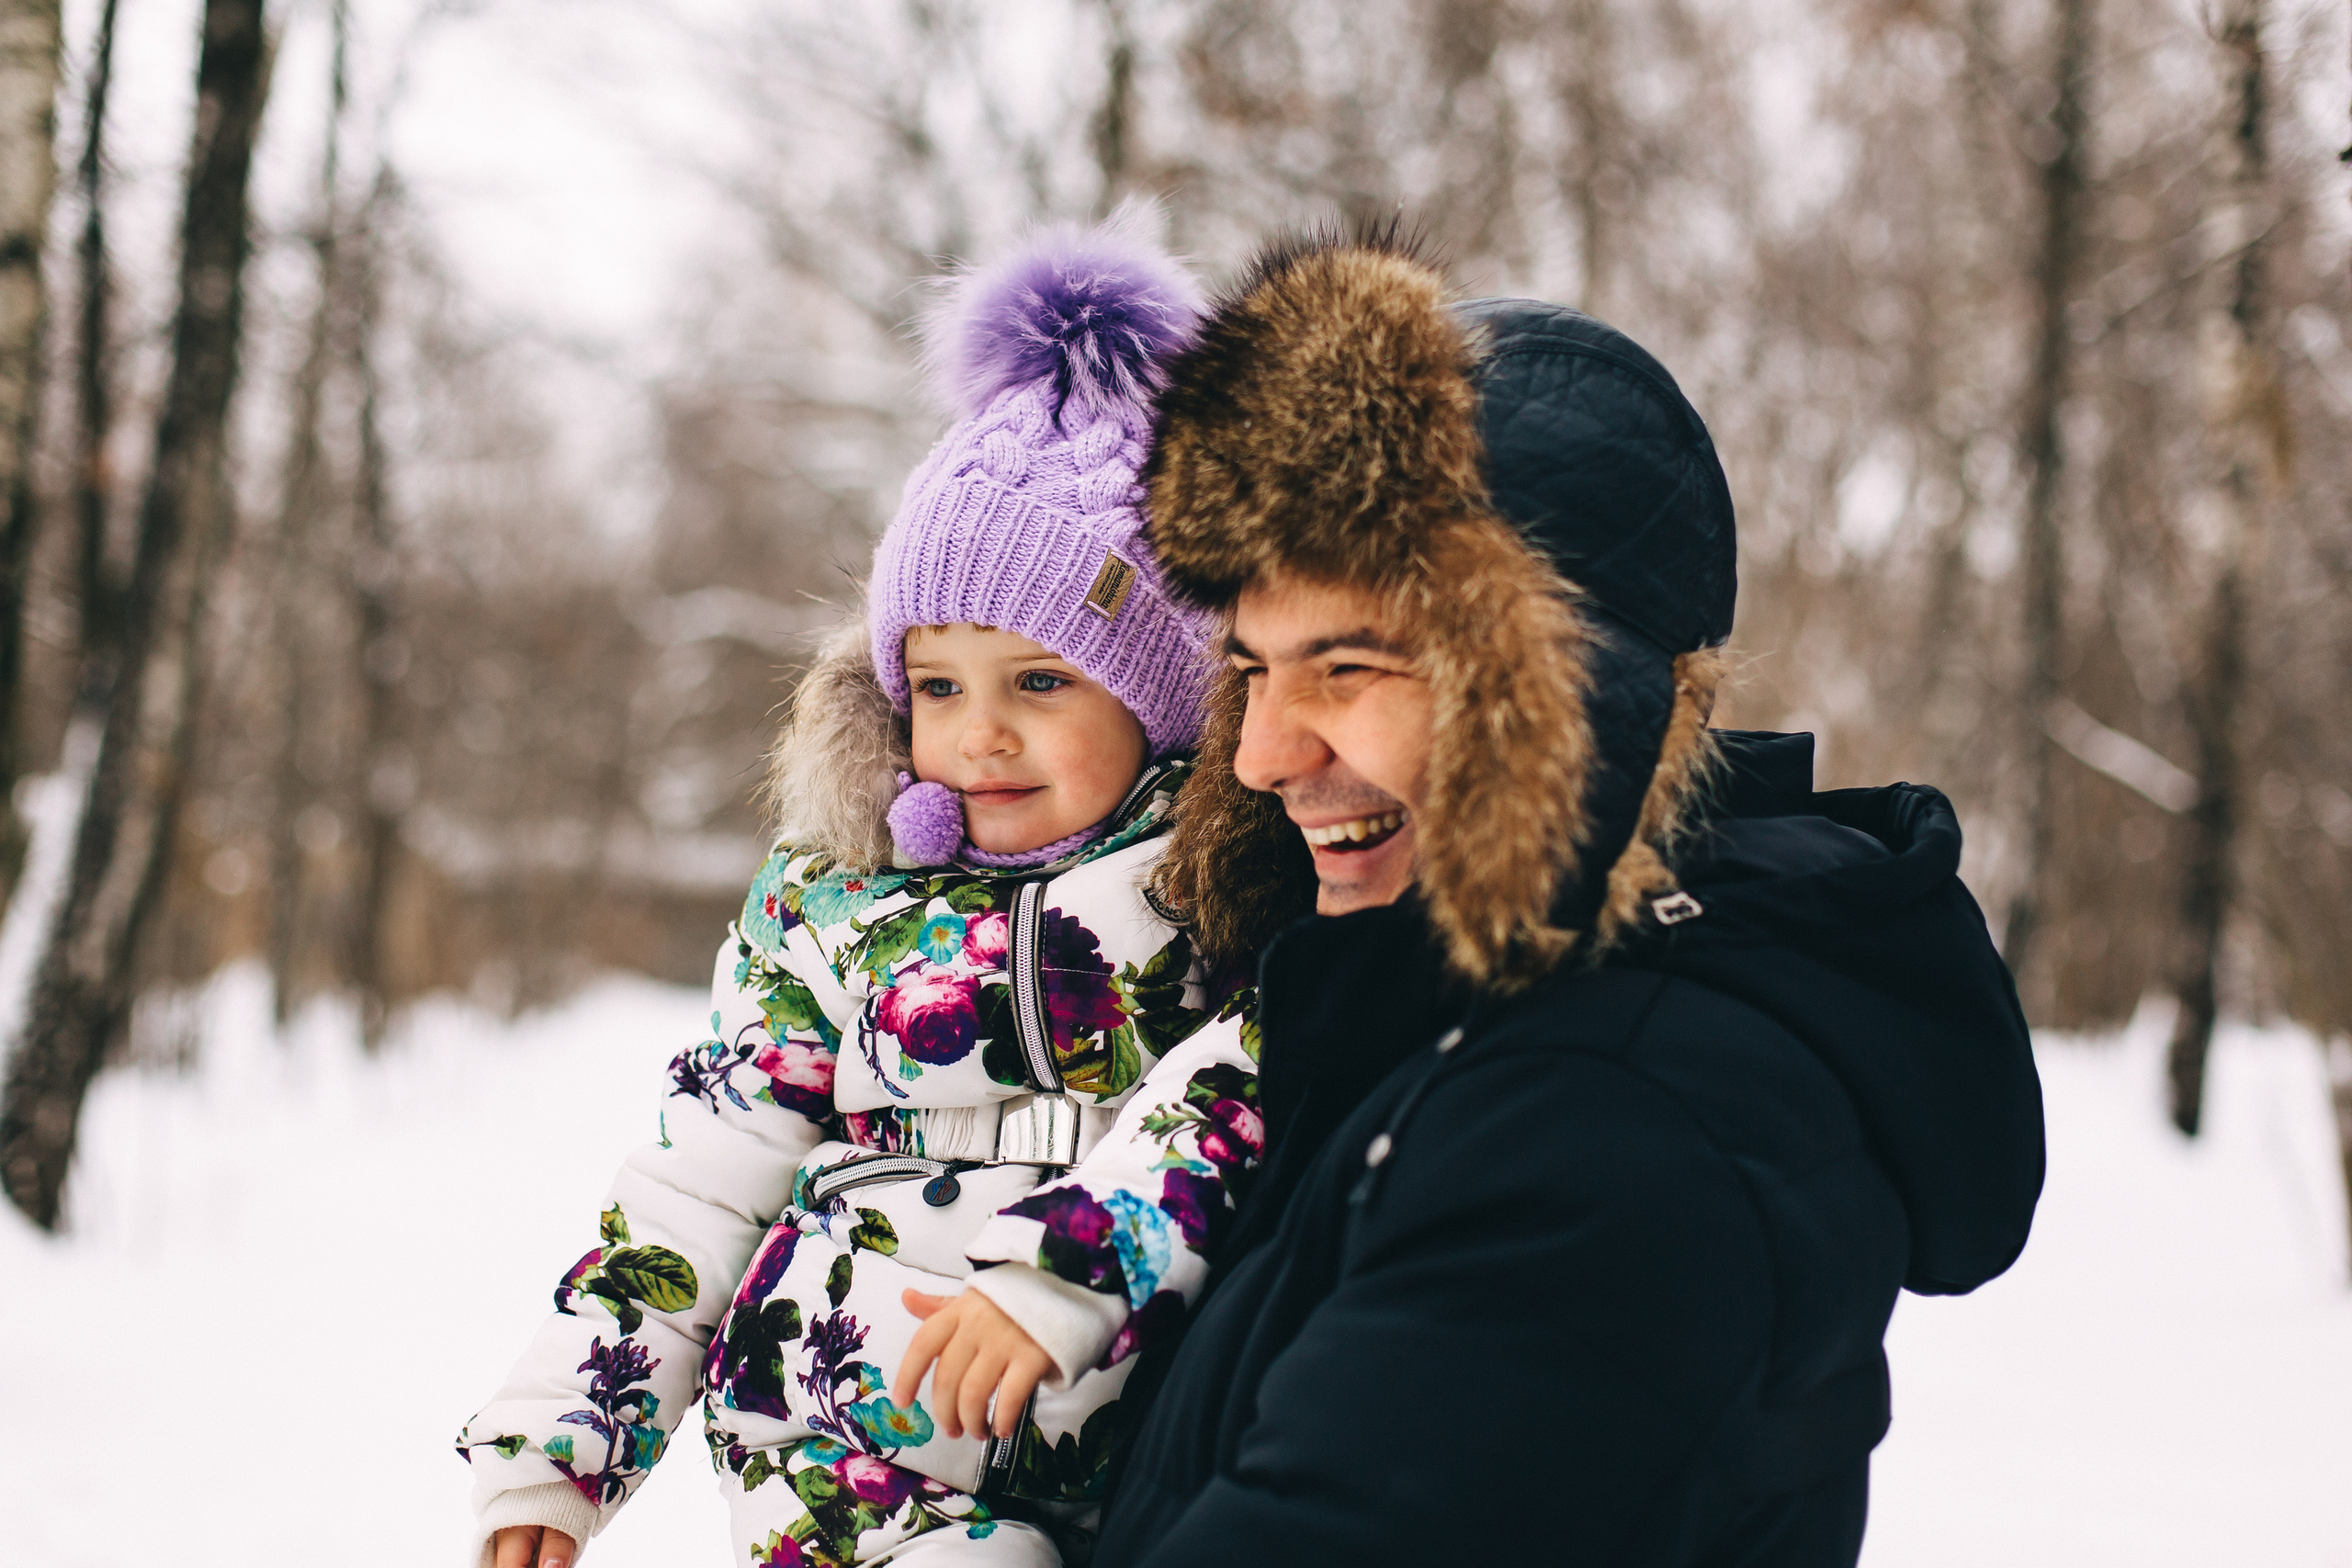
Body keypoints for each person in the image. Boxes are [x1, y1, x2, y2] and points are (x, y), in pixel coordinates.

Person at [1091, 228, 2048, 1565]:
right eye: (1251, 672)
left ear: (1573, 704)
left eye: (1349, 670)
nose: (1261, 755)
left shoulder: (1611, 1125)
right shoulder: (1445, 1026)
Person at [457, 214, 1264, 1568]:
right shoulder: (838, 904)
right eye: (938, 685)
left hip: (1118, 1444)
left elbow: (1239, 1089)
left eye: (1041, 682)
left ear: (1160, 699)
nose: (979, 734)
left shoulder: (1217, 888)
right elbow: (700, 1186)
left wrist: (1075, 1265)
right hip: (846, 1459)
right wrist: (557, 1451)